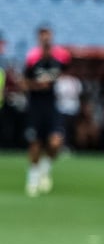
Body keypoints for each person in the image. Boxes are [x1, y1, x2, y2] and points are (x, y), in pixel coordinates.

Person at [23, 24, 70, 197]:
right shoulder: (32, 58)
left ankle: (46, 168)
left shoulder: (59, 57)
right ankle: (33, 178)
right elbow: (24, 82)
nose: (46, 39)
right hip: (36, 107)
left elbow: (67, 69)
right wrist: (37, 85)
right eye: (43, 36)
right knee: (35, 144)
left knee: (56, 142)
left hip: (52, 106)